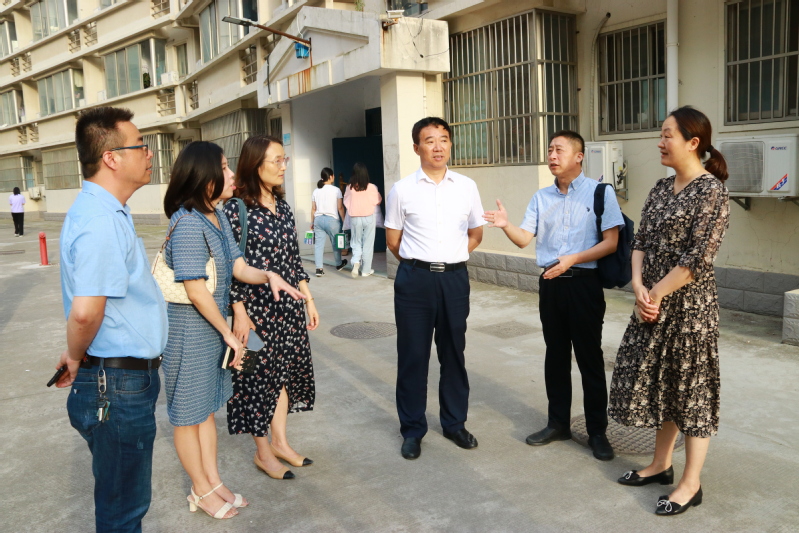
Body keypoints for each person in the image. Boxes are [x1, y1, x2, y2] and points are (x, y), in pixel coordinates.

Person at [160, 142, 304, 519]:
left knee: (207, 410)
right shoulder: (188, 223)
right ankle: (200, 489)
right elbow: (195, 289)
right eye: (223, 168)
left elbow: (239, 267)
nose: (230, 174)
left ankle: (214, 482)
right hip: (190, 334)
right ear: (203, 177)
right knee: (188, 417)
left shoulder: (217, 216)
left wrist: (269, 275)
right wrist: (228, 331)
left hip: (212, 331)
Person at [609, 106, 730, 516]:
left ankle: (690, 484)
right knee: (663, 387)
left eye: (667, 135)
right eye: (660, 135)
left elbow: (698, 258)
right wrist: (639, 287)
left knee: (692, 392)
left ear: (693, 143)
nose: (660, 143)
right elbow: (639, 241)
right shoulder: (661, 189)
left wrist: (655, 294)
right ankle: (660, 464)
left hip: (689, 310)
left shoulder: (711, 191)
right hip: (651, 304)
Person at [55, 106, 168, 533]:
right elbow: (86, 311)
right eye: (141, 146)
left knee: (121, 502)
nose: (150, 153)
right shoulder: (101, 219)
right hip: (117, 386)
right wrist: (73, 356)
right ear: (111, 158)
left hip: (117, 379)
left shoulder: (105, 211)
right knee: (123, 511)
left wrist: (76, 352)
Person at [483, 130, 623, 462]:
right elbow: (524, 239)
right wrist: (505, 224)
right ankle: (558, 423)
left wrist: (573, 259)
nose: (552, 156)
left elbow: (611, 242)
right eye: (549, 150)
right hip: (551, 284)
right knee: (555, 356)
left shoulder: (600, 192)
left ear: (579, 156)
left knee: (589, 359)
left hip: (584, 285)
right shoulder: (540, 197)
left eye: (559, 150)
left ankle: (597, 432)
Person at [385, 117, 486, 460]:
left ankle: (454, 423)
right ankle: (413, 429)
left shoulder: (467, 186)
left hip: (455, 280)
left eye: (443, 139)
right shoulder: (402, 190)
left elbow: (476, 233)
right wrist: (421, 264)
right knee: (413, 355)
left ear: (450, 144)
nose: (438, 146)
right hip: (415, 281)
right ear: (417, 148)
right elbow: (393, 241)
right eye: (430, 140)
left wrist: (451, 258)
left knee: (454, 352)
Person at [224, 135, 319, 480]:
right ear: (255, 165)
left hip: (288, 310)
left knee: (282, 377)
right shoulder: (236, 209)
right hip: (254, 312)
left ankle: (280, 442)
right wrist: (239, 311)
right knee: (253, 381)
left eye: (284, 159)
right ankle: (263, 453)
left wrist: (308, 299)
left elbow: (293, 261)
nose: (283, 167)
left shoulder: (283, 206)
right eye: (276, 160)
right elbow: (228, 264)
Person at [344, 162, 382, 278]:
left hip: (355, 218)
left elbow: (346, 202)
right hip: (369, 217)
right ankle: (366, 270)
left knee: (356, 242)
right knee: (368, 244)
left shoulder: (349, 187)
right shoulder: (372, 187)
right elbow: (378, 201)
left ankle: (356, 261)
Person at [311, 167, 347, 276]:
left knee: (318, 245)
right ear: (331, 177)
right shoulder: (336, 190)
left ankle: (319, 269)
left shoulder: (316, 191)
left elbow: (313, 209)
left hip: (318, 220)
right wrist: (344, 221)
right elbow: (340, 207)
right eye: (333, 175)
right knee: (336, 243)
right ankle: (339, 264)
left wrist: (312, 222)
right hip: (332, 221)